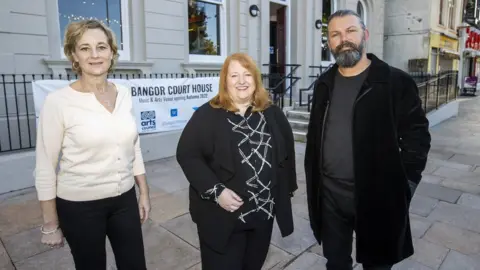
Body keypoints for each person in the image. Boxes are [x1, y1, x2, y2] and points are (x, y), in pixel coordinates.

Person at [304, 10, 431, 270]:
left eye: (350, 31)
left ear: (366, 35)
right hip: (329, 195)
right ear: (329, 42)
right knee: (335, 262)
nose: (343, 39)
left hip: (377, 196)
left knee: (378, 263)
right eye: (335, 34)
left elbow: (417, 137)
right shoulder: (323, 84)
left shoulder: (395, 82)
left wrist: (405, 185)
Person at [35, 19, 150, 269]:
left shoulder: (124, 94)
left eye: (101, 46)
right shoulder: (58, 102)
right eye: (85, 48)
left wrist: (143, 192)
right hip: (79, 207)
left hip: (124, 200)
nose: (95, 54)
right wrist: (50, 225)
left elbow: (134, 146)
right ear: (74, 55)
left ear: (112, 52)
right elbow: (45, 166)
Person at [176, 52, 298, 270]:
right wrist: (216, 191)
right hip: (223, 218)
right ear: (225, 81)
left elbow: (286, 155)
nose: (241, 81)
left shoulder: (272, 113)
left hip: (262, 217)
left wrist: (284, 191)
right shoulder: (208, 115)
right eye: (234, 76)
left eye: (247, 74)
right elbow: (188, 155)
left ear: (255, 79)